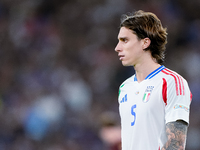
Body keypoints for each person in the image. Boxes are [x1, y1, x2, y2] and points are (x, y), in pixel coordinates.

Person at [115, 10, 192, 150]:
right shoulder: (124, 87)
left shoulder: (172, 82)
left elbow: (176, 145)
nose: (117, 48)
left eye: (124, 40)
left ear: (145, 43)